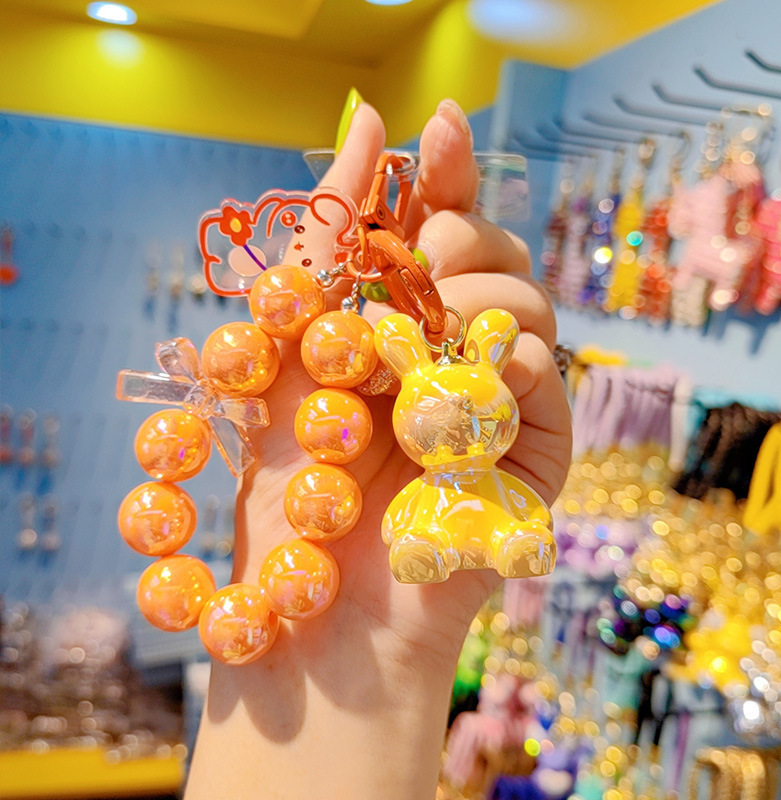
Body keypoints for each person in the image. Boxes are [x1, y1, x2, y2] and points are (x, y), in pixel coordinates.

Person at [184, 99, 572, 800]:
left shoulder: (471, 411)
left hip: (455, 526)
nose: (456, 423)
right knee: (418, 527)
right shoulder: (344, 479)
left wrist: (391, 656)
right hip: (358, 539)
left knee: (499, 521)